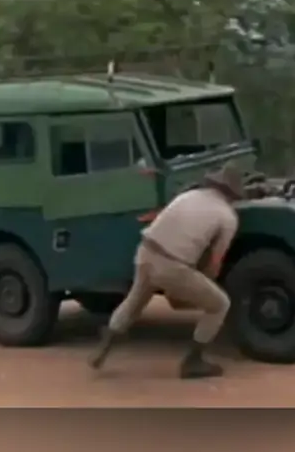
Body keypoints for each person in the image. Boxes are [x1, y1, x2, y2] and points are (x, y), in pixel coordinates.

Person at [88, 161, 243, 379]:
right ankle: (193, 361)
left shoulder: (188, 196)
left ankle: (104, 348)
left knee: (134, 301)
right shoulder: (228, 216)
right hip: (172, 265)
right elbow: (215, 262)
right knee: (220, 304)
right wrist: (205, 283)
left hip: (145, 252)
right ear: (233, 194)